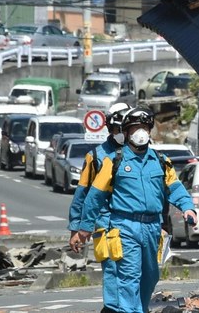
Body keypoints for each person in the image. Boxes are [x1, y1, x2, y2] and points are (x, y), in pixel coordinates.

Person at [75, 107, 197, 313]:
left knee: (150, 276)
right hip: (124, 227)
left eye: (144, 128)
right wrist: (84, 227)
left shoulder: (160, 161)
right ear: (126, 132)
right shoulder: (113, 161)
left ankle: (138, 309)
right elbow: (94, 197)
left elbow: (175, 188)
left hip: (152, 227)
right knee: (129, 277)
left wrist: (188, 208)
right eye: (135, 128)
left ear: (150, 131)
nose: (140, 132)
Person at [68, 102, 130, 309]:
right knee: (112, 270)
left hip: (135, 224)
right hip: (106, 224)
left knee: (139, 273)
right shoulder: (95, 157)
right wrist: (76, 228)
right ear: (109, 128)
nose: (123, 133)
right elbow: (83, 194)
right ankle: (113, 308)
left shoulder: (143, 154)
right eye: (118, 128)